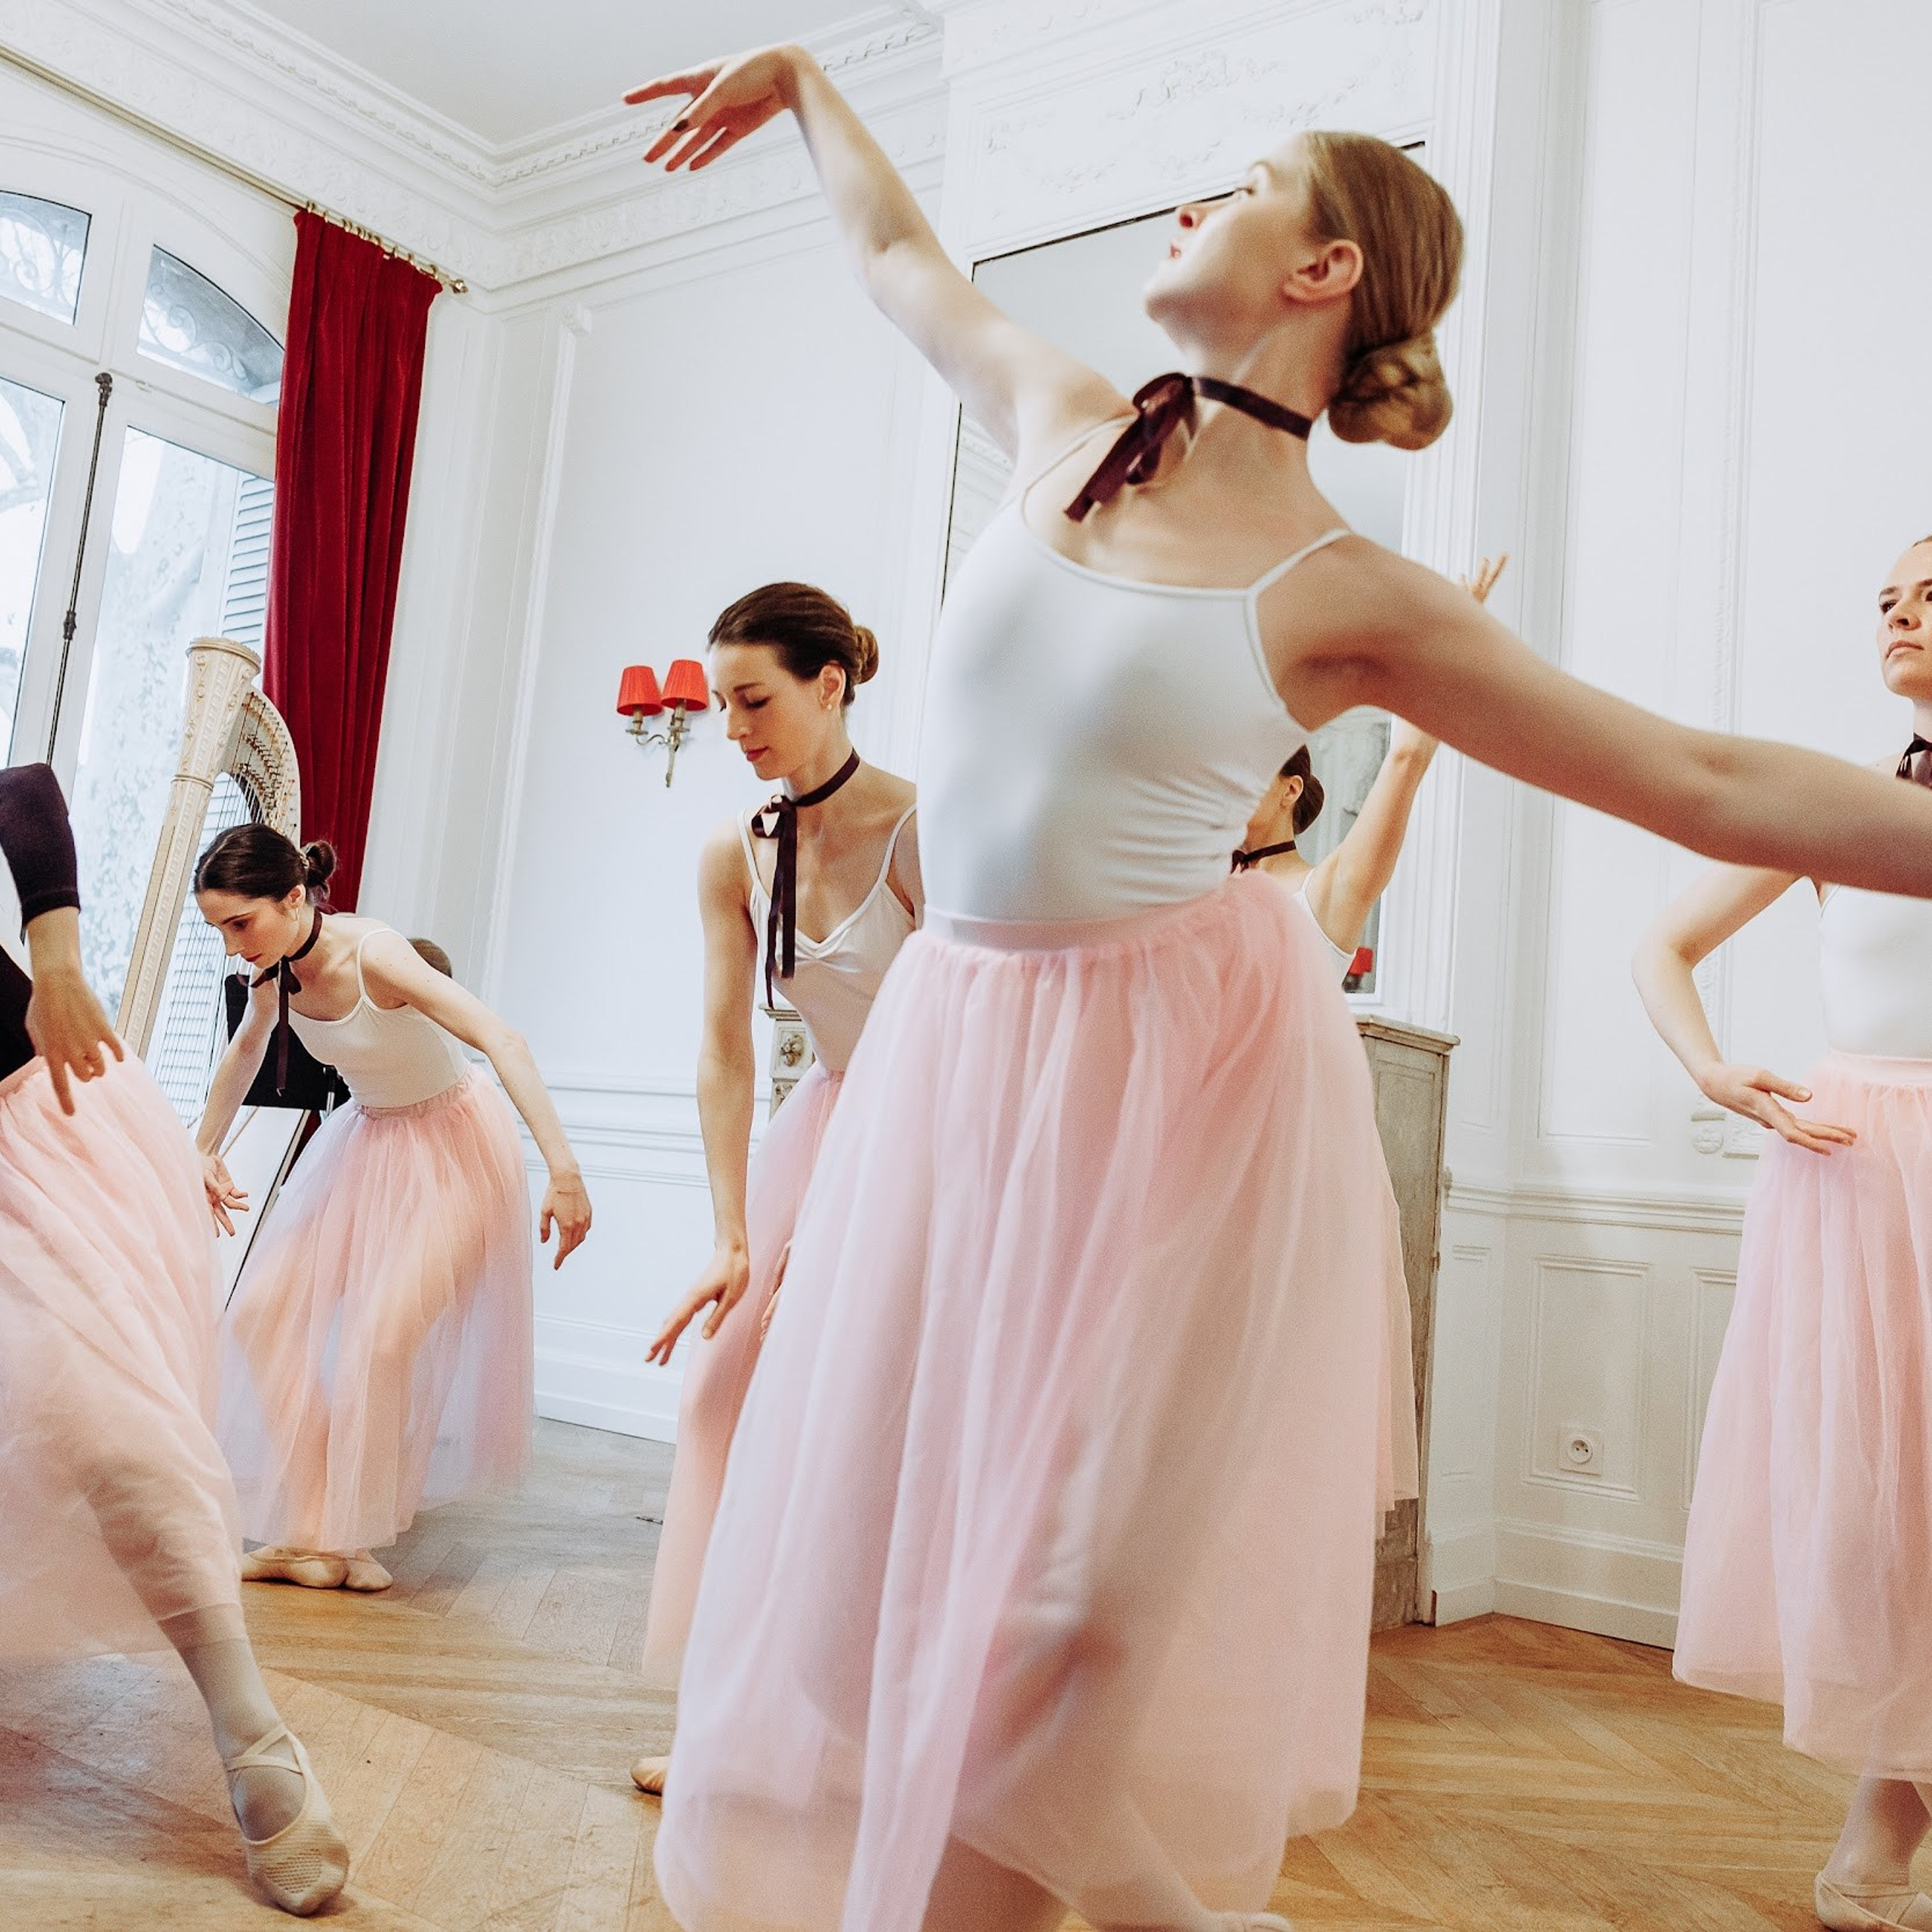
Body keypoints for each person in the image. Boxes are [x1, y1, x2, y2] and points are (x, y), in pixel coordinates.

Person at [626, 46, 1932, 1932]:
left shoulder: (1343, 586)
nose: (1180, 201)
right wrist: (814, 90)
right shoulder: (1061, 417)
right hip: (951, 1055)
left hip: (1167, 1090)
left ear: (1321, 271)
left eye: (1228, 182)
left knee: (1051, 1631)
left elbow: (1703, 781)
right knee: (873, 1616)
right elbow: (902, 260)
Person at [1633, 534, 1932, 1932]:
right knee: (1879, 1517)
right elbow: (1663, 944)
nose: (1900, 611)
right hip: (1862, 1173)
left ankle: (1888, 1819)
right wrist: (1712, 1069)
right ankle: (1886, 1811)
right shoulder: (1841, 801)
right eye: (1888, 595)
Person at [0, 764, 347, 1914]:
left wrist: (54, 958)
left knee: (107, 1429)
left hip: (35, 1134)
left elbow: (22, 787)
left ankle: (249, 1729)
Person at [629, 582, 920, 1798]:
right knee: (722, 1402)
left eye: (755, 699)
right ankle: (736, 1717)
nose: (733, 727)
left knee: (858, 1431)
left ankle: (856, 1734)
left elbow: (989, 1028)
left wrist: (866, 1213)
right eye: (721, 705)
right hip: (826, 1124)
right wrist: (736, 1232)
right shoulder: (737, 854)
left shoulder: (926, 826)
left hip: (927, 1137)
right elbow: (725, 1051)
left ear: (831, 682)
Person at [194, 827, 592, 1594]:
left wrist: (564, 1168)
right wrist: (200, 1149)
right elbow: (246, 1052)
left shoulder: (375, 955)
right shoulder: (272, 973)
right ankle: (311, 1524)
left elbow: (498, 1036)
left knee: (380, 1340)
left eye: (239, 923)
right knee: (261, 1314)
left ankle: (351, 1538)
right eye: (218, 929)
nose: (231, 945)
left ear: (294, 897)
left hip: (453, 1144)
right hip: (367, 1140)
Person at [1234, 555, 1506, 974]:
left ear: (1290, 789)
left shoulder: (1324, 893)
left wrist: (1448, 641)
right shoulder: (1196, 891)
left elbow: (1405, 760)